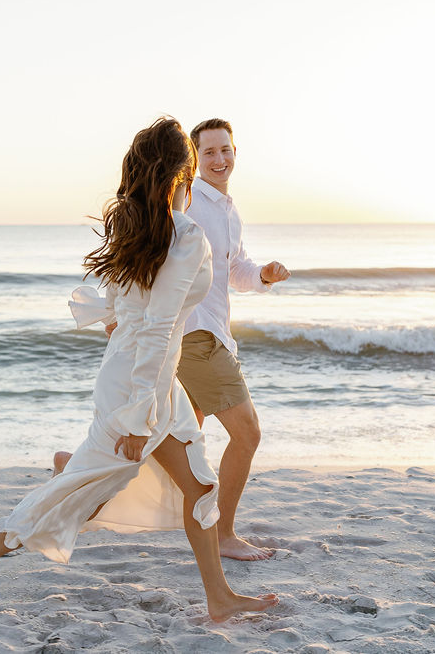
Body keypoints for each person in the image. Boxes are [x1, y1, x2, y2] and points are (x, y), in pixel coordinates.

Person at [0, 118, 279, 626]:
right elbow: (162, 329)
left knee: (202, 486)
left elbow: (121, 312)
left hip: (143, 379)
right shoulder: (186, 237)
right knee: (78, 492)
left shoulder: (140, 227)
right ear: (182, 170)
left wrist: (144, 383)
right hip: (142, 389)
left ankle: (220, 599)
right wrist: (141, 418)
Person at [177, 118, 290, 561]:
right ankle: (224, 536)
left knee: (178, 440)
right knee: (247, 434)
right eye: (208, 152)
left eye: (225, 150)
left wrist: (262, 274)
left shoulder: (227, 208)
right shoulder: (188, 201)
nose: (219, 159)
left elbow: (234, 270)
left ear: (235, 152)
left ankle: (81, 471)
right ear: (195, 158)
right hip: (198, 335)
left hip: (211, 333)